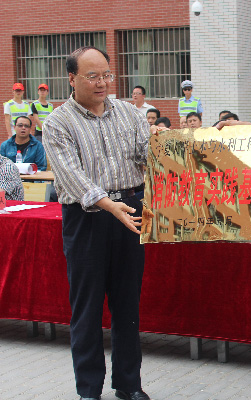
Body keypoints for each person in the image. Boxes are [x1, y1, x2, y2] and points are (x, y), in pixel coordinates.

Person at [42, 46, 151, 400]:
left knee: (127, 303)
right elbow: (72, 177)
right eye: (92, 76)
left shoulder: (130, 113)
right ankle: (89, 389)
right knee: (87, 306)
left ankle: (129, 385)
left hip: (131, 209)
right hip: (86, 217)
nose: (102, 83)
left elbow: (149, 156)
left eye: (106, 75)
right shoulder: (58, 123)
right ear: (72, 79)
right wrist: (109, 205)